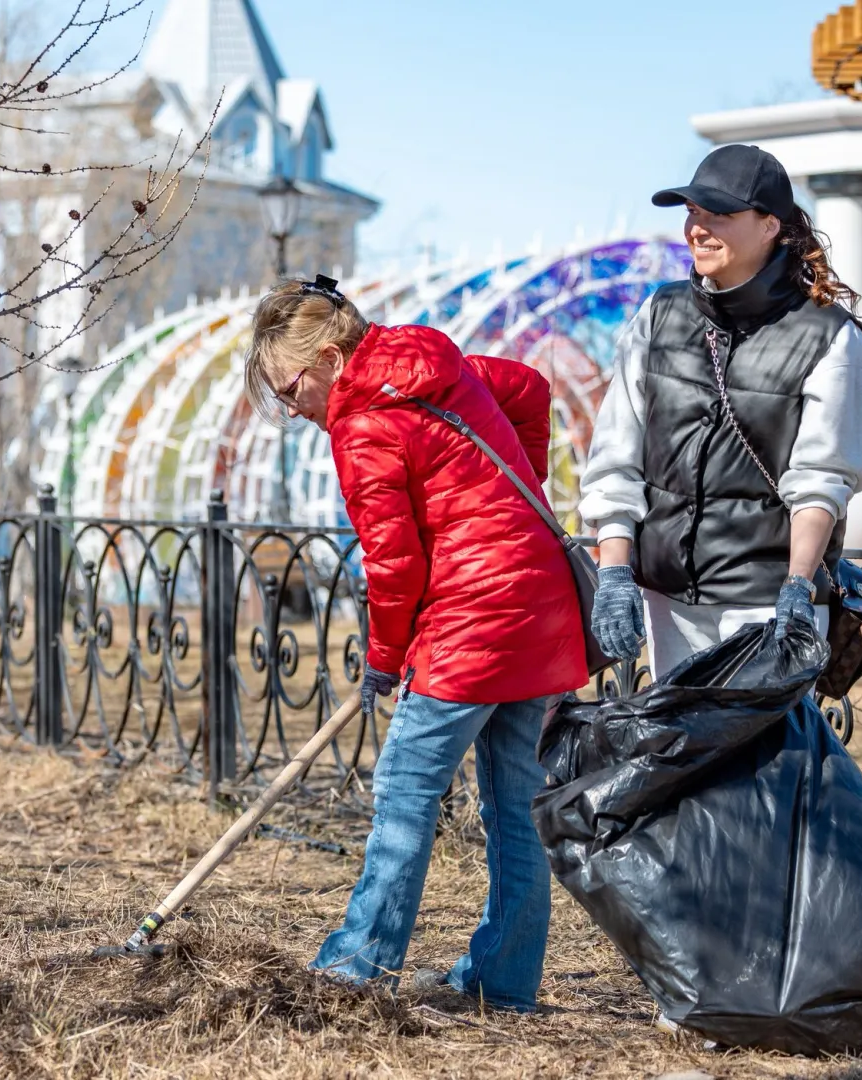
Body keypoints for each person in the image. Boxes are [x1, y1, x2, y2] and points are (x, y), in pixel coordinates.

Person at [244, 275, 589, 1013]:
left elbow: (394, 565)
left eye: (290, 386)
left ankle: (356, 971)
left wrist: (383, 659)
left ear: (332, 361)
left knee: (405, 796)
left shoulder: (361, 425)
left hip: (471, 623)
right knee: (517, 810)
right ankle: (506, 983)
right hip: (539, 605)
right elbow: (527, 388)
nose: (291, 406)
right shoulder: (435, 357)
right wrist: (522, 494)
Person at [579, 144, 862, 679]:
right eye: (693, 212)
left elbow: (822, 478)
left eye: (719, 214)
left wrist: (798, 589)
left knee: (765, 763)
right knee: (682, 762)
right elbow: (615, 455)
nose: (698, 227)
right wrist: (616, 573)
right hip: (667, 598)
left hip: (765, 602)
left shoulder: (831, 335)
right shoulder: (659, 313)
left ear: (769, 226)